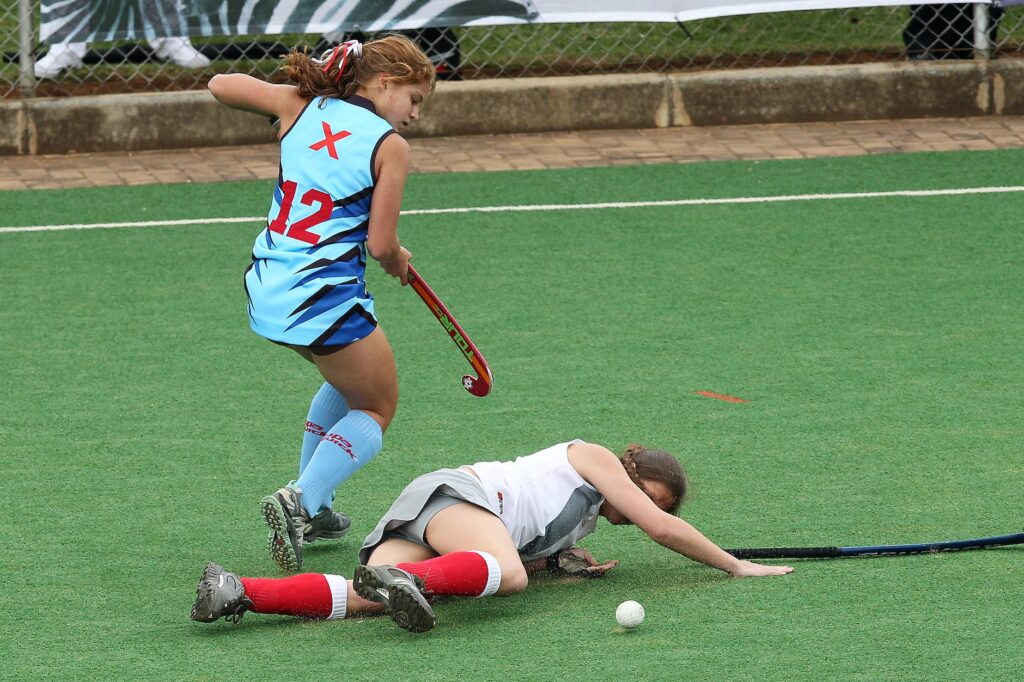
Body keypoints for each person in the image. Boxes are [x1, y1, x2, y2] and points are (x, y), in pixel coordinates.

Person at [206, 35, 436, 572]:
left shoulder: (299, 107)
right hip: (322, 296)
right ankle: (300, 500)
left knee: (345, 382)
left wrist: (305, 85)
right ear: (385, 83)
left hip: (267, 288)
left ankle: (320, 505)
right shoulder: (389, 147)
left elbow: (220, 84)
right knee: (375, 407)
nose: (416, 115)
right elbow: (380, 245)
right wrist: (398, 260)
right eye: (415, 98)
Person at [191, 440, 794, 633]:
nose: (633, 516)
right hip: (461, 497)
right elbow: (662, 528)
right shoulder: (597, 455)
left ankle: (238, 591)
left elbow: (544, 521)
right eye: (641, 500)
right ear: (633, 475)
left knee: (368, 599)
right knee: (509, 576)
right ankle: (411, 579)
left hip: (439, 514)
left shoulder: (584, 515)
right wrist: (734, 565)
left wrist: (564, 557)